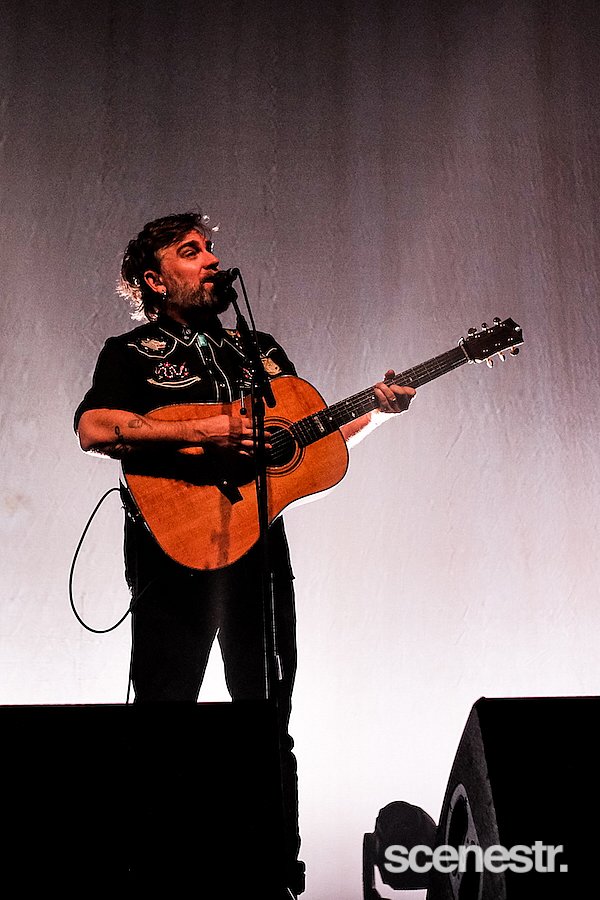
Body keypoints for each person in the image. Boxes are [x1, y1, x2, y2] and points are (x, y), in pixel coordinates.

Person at [74, 211, 415, 898]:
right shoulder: (131, 353)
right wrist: (210, 429)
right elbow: (94, 427)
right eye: (189, 251)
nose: (210, 260)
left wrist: (377, 409)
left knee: (267, 718)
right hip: (171, 555)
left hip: (259, 554)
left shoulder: (256, 348)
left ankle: (275, 872)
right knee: (164, 715)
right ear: (154, 280)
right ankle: (150, 872)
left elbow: (304, 443)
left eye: (210, 249)